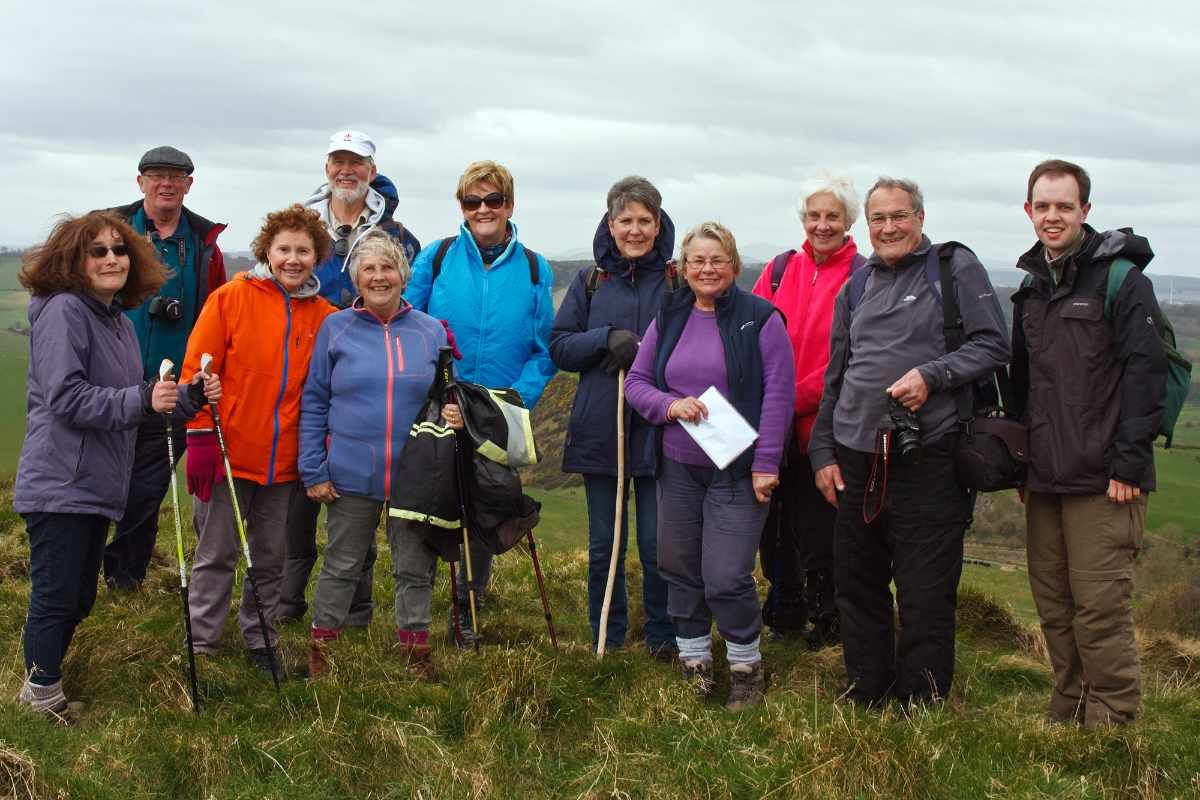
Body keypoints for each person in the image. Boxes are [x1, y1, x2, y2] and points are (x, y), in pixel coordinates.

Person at [809, 177, 1009, 708]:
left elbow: (993, 344)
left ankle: (920, 700)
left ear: (920, 217)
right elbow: (838, 375)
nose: (889, 227)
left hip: (929, 455)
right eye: (879, 219)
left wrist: (933, 375)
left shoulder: (954, 267)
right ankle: (867, 689)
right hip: (855, 455)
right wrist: (822, 452)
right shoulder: (856, 285)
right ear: (867, 225)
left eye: (899, 216)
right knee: (857, 583)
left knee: (924, 589)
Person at [14, 211, 220, 717]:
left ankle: (44, 686)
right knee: (58, 593)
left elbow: (131, 405)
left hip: (94, 482)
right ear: (73, 261)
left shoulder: (115, 321)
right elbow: (68, 398)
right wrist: (142, 397)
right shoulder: (64, 310)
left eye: (119, 250)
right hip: (61, 478)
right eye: (98, 251)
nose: (112, 259)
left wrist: (184, 399)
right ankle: (39, 698)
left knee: (79, 594)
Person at [1012, 159, 1166, 727]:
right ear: (1029, 211)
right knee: (1054, 602)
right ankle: (1069, 701)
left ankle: (1112, 718)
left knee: (1100, 606)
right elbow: (1025, 387)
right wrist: (1024, 468)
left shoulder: (1123, 280)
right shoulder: (1030, 288)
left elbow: (1145, 375)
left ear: (1085, 211)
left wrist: (1129, 462)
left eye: (1065, 206)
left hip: (1106, 478)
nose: (1053, 216)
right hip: (1046, 476)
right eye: (1043, 206)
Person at [625, 221, 795, 711]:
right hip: (677, 466)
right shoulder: (670, 315)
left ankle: (745, 668)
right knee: (678, 566)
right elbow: (637, 382)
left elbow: (779, 395)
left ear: (734, 266)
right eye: (697, 260)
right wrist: (669, 406)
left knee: (725, 575)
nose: (707, 269)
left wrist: (766, 464)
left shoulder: (761, 318)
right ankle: (694, 662)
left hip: (739, 470)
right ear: (682, 268)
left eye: (717, 260)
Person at [404, 160, 555, 647]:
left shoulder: (534, 266)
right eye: (474, 201)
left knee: (487, 501)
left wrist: (514, 401)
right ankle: (428, 606)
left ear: (510, 205)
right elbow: (411, 322)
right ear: (462, 208)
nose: (484, 209)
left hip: (497, 408)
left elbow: (544, 347)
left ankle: (469, 602)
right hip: (440, 403)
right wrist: (432, 385)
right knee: (435, 500)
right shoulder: (439, 256)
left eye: (493, 200)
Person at [182, 205, 336, 679]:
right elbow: (197, 372)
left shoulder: (325, 315)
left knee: (270, 557)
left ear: (318, 257)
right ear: (266, 251)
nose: (293, 259)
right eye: (284, 249)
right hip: (229, 452)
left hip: (284, 463)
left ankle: (260, 636)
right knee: (216, 553)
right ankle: (203, 642)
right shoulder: (231, 298)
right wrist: (202, 436)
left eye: (303, 250)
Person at [300, 229, 461, 677]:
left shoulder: (431, 332)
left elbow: (446, 399)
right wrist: (312, 468)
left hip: (414, 474)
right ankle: (323, 650)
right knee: (343, 563)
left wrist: (456, 417)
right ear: (355, 277)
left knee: (415, 566)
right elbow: (314, 400)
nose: (378, 277)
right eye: (368, 269)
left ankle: (415, 649)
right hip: (351, 469)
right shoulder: (335, 327)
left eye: (387, 267)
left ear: (402, 274)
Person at [280, 130, 421, 625]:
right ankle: (287, 604)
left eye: (356, 163)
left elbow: (409, 313)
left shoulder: (399, 236)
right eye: (338, 162)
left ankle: (355, 613)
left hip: (367, 383)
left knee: (353, 508)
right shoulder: (303, 226)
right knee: (301, 505)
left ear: (371, 171)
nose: (346, 171)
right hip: (297, 370)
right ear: (326, 169)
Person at [550, 176, 676, 659]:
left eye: (645, 220)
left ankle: (664, 637)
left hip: (661, 428)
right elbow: (561, 346)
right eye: (626, 220)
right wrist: (605, 338)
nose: (636, 230)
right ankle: (608, 631)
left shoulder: (676, 279)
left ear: (659, 223)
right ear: (610, 222)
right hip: (603, 428)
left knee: (657, 542)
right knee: (606, 542)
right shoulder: (590, 280)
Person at [103, 145, 227, 590]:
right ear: (140, 182)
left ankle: (125, 577)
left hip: (172, 386)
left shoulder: (202, 244)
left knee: (148, 486)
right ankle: (84, 565)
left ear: (189, 185)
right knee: (101, 480)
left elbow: (216, 312)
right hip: (111, 384)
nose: (166, 184)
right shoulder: (109, 231)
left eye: (176, 177)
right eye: (156, 175)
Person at [751, 171, 863, 647]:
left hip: (828, 428)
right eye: (814, 215)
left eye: (832, 216)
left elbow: (855, 357)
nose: (822, 225)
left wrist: (786, 398)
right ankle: (784, 612)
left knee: (823, 530)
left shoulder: (865, 276)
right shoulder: (779, 269)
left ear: (848, 221)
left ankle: (829, 620)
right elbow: (747, 333)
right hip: (772, 428)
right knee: (773, 526)